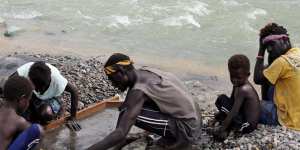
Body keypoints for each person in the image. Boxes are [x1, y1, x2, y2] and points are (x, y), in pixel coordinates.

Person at [87, 53, 201, 150]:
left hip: (187, 130)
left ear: (121, 71)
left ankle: (179, 141)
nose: (114, 84)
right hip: (196, 120)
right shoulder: (146, 71)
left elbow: (121, 133)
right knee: (129, 106)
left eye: (113, 80)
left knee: (127, 111)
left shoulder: (139, 89)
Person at [254, 23, 300, 130]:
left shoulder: (282, 62)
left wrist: (261, 49)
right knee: (267, 70)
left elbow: (257, 79)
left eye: (271, 44)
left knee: (247, 103)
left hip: (290, 119)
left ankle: (268, 109)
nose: (269, 49)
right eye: (267, 47)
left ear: (285, 41)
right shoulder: (297, 52)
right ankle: (268, 104)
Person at [11, 61, 81, 131]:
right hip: (32, 95)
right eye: (37, 88)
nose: (40, 91)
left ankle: (59, 107)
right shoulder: (23, 73)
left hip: (50, 97)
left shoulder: (58, 81)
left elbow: (74, 92)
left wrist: (73, 117)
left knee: (45, 114)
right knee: (22, 117)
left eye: (42, 89)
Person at [212, 54, 260, 141]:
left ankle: (229, 128)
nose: (234, 80)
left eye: (238, 77)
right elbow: (232, 101)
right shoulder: (237, 84)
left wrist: (222, 128)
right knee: (221, 98)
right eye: (232, 77)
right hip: (241, 115)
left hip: (247, 125)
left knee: (223, 126)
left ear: (248, 75)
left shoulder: (244, 89)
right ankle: (228, 124)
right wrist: (220, 114)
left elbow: (233, 112)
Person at [0, 76, 44, 150]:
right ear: (22, 99)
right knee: (37, 130)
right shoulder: (19, 121)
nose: (28, 103)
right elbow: (31, 133)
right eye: (28, 100)